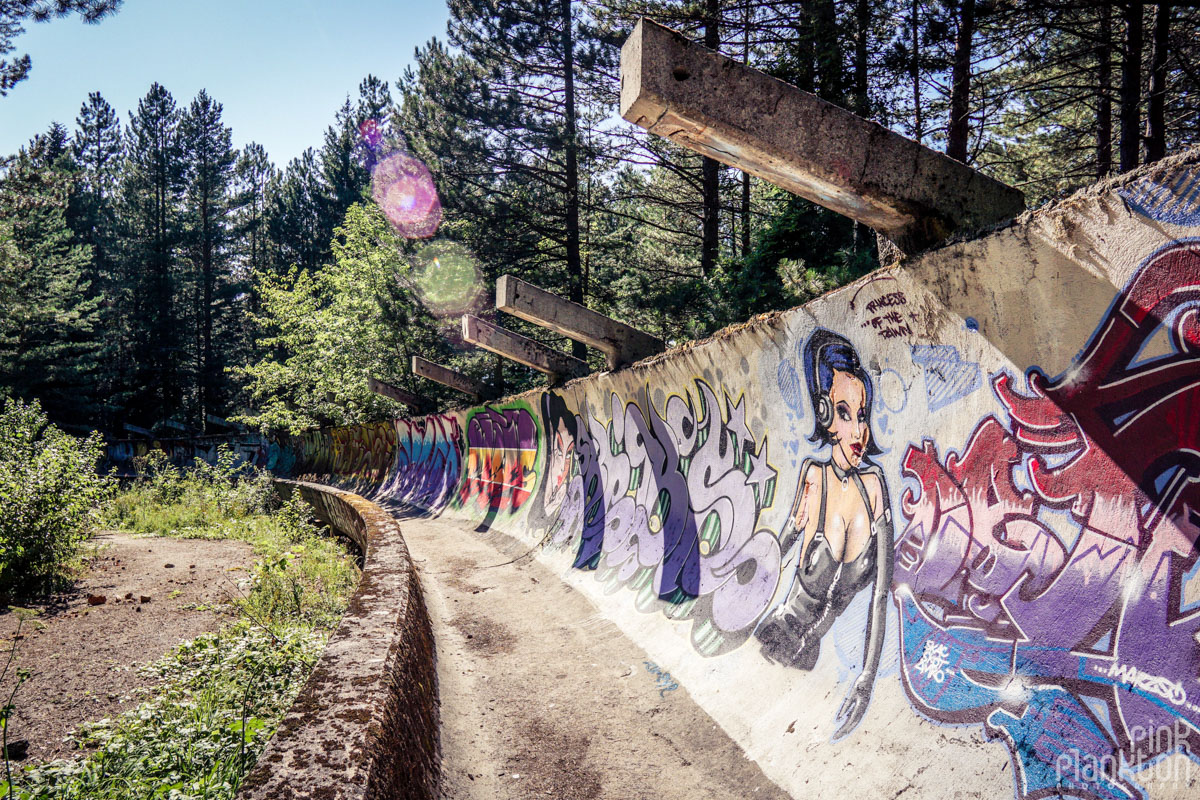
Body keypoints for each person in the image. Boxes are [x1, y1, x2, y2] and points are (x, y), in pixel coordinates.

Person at [756, 328, 893, 739]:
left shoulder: (875, 488)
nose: (859, 431)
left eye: (863, 415)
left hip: (811, 657)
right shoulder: (814, 478)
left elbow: (880, 595)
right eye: (845, 413)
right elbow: (776, 552)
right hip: (777, 637)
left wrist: (866, 679)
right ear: (824, 415)